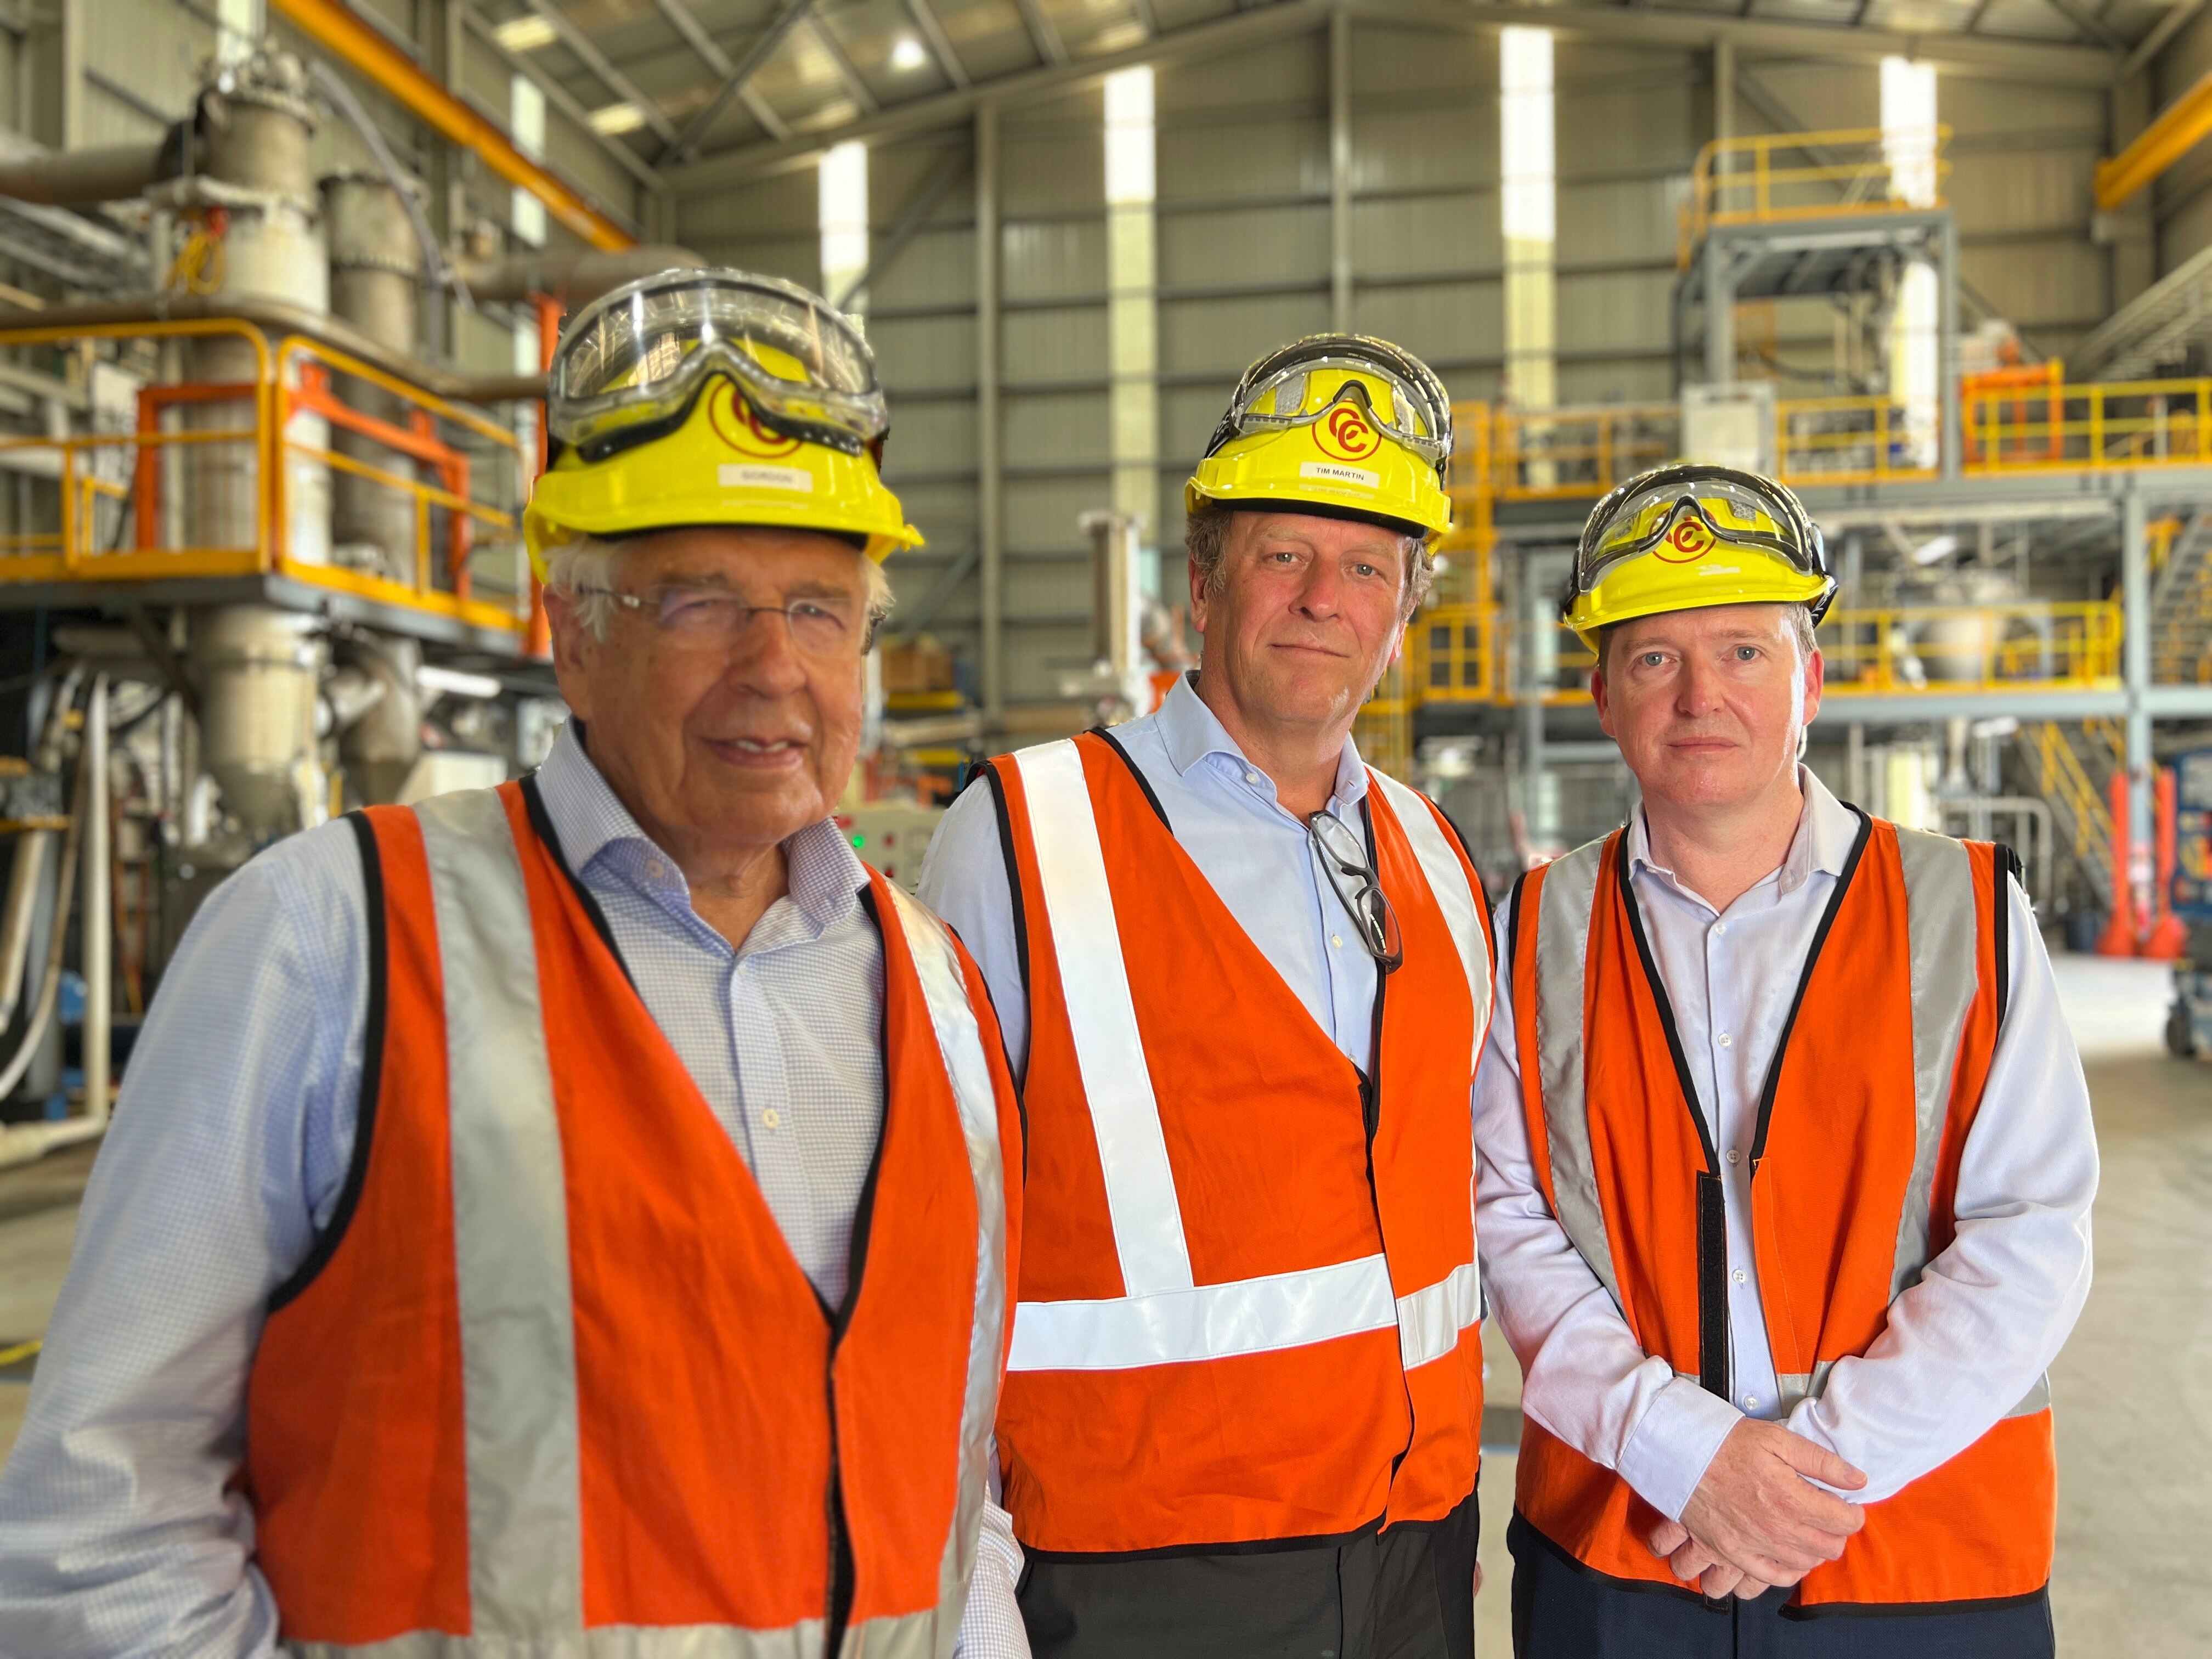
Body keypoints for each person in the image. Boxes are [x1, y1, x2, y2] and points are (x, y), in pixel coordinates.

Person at [0, 268, 1029, 1658]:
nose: (775, 667)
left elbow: (952, 1485)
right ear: (573, 634)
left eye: (819, 607)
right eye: (700, 602)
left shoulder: (942, 998)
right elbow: (98, 1518)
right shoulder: (327, 945)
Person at [919, 334, 1494, 1659]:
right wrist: (963, 1567)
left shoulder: (1436, 856)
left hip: (1413, 1554)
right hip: (1139, 1579)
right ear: (1202, 582)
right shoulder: (1021, 836)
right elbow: (931, 1235)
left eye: (1366, 568)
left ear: (1404, 610)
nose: (1322, 600)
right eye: (1282, 556)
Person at [1476, 464, 2096, 1655]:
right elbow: (1508, 1223)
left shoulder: (1964, 910)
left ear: (1810, 680)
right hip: (1622, 1559)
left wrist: (1806, 1476)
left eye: (1747, 652)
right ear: (1604, 697)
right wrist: (1682, 1452)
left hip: (1918, 1563)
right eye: (1656, 658)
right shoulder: (1534, 929)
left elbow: (2035, 1230)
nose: (1702, 693)